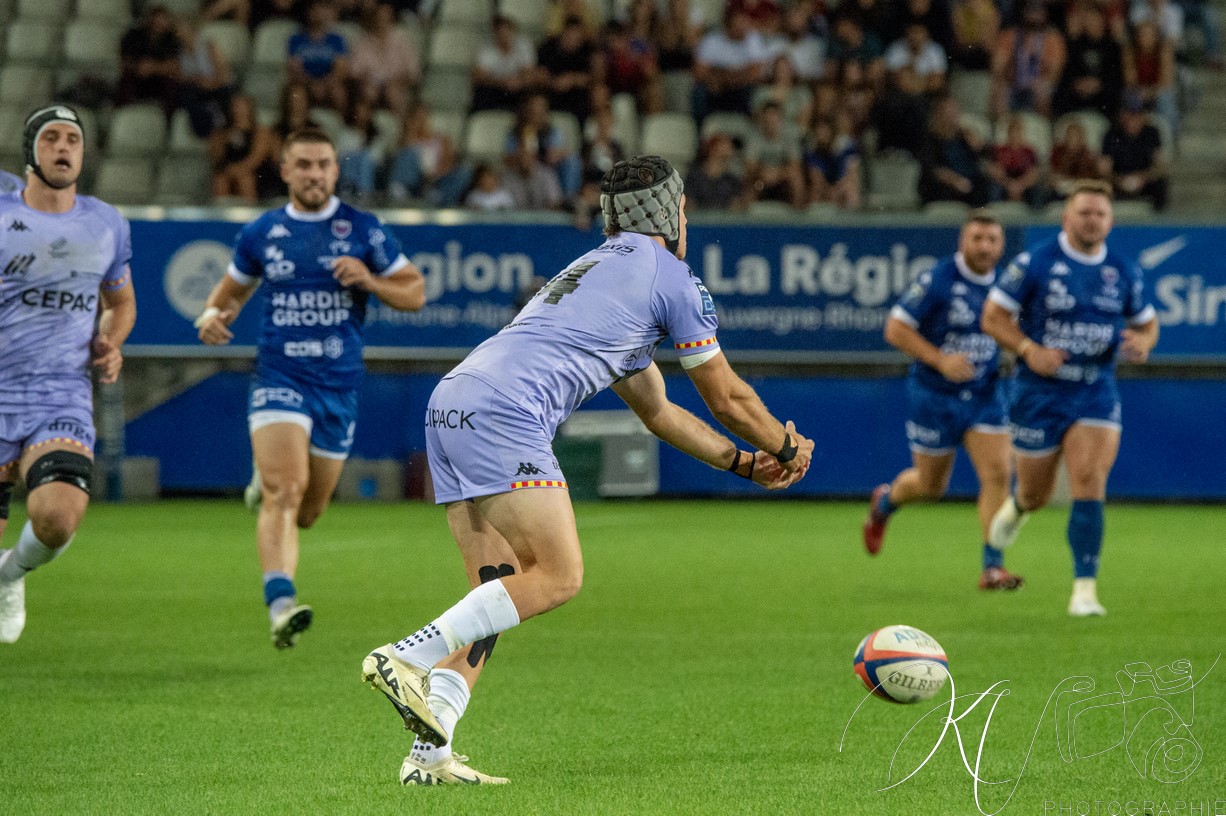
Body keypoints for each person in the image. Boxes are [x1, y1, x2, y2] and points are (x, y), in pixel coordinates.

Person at [358, 155, 814, 785]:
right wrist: (785, 449)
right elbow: (727, 397)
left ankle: (428, 755)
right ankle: (403, 655)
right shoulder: (668, 277)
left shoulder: (598, 276)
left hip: (453, 401)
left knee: (495, 596)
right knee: (560, 576)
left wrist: (742, 463)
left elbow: (658, 412)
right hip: (508, 413)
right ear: (674, 212)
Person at [195, 128, 425, 649]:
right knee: (285, 489)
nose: (314, 173)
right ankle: (280, 605)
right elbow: (228, 293)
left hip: (338, 388)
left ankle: (267, 480)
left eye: (322, 163)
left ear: (335, 170)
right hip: (280, 376)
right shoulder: (262, 232)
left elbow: (414, 294)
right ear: (285, 169)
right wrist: (211, 315)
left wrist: (369, 280)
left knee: (309, 512)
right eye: (303, 164)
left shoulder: (363, 230)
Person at [981, 179, 1159, 616]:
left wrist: (1143, 343)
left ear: (1111, 221)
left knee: (1089, 480)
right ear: (1066, 217)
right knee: (1037, 493)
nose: (1092, 220)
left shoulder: (1124, 270)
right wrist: (1028, 350)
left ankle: (1084, 589)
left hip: (1095, 389)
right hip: (1038, 392)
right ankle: (1020, 506)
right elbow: (993, 317)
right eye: (1084, 212)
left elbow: (1147, 323)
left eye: (1100, 213)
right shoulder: (1036, 263)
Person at [0, 105, 137, 643]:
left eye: (73, 139)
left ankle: (10, 576)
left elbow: (121, 303)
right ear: (32, 149)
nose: (63, 147)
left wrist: (112, 342)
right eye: (51, 137)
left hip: (61, 394)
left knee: (58, 517)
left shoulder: (105, 223)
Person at [863, 212, 1022, 591]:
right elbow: (895, 329)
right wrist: (940, 360)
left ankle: (993, 567)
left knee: (999, 473)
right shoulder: (937, 280)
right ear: (961, 242)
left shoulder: (1006, 284)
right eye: (977, 238)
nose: (985, 247)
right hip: (934, 396)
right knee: (931, 487)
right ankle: (884, 503)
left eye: (992, 240)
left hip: (985, 394)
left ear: (1001, 246)